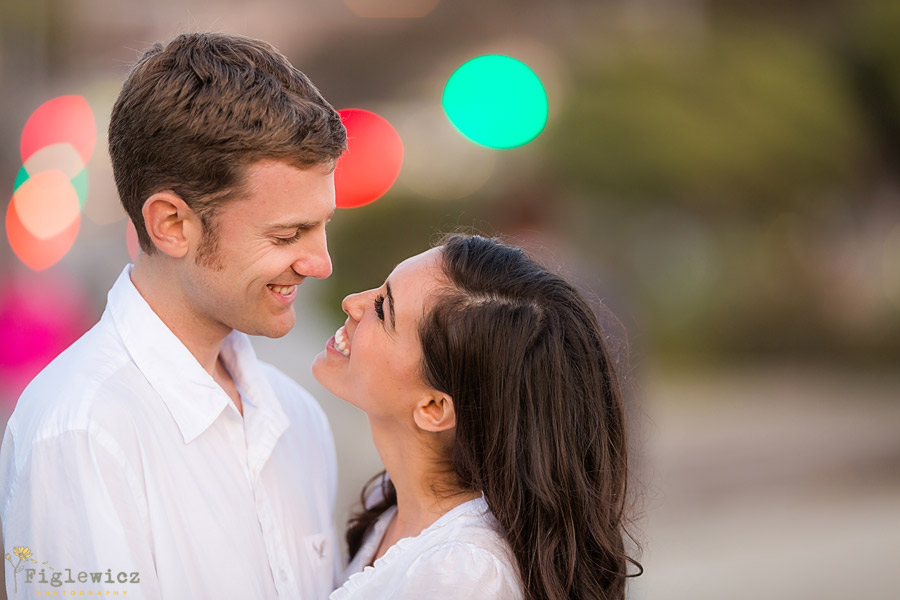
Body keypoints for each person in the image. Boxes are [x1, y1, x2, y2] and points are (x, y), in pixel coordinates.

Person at [0, 33, 346, 599]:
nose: (320, 263)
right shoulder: (80, 432)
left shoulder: (298, 418)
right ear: (172, 224)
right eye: (287, 234)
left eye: (322, 224)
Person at [312, 234, 642, 600]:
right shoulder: (391, 505)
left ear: (434, 408)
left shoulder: (462, 573)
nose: (352, 303)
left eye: (381, 309)